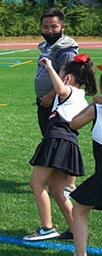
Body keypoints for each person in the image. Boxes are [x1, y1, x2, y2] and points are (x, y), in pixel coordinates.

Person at [23, 54, 96, 242]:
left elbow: (62, 90)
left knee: (36, 183)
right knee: (56, 189)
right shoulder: (82, 97)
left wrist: (49, 67)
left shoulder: (69, 91)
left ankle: (47, 228)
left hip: (57, 140)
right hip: (68, 143)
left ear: (68, 78)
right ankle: (74, 230)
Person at [34, 7, 79, 196]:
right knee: (50, 138)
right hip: (45, 101)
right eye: (45, 27)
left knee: (63, 141)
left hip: (59, 103)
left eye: (54, 27)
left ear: (63, 26)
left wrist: (51, 96)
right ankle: (58, 178)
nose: (49, 31)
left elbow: (67, 77)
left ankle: (68, 184)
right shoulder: (46, 45)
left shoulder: (66, 48)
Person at [69, 86, 102, 256]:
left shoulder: (96, 110)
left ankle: (80, 254)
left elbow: (73, 122)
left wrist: (90, 105)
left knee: (79, 210)